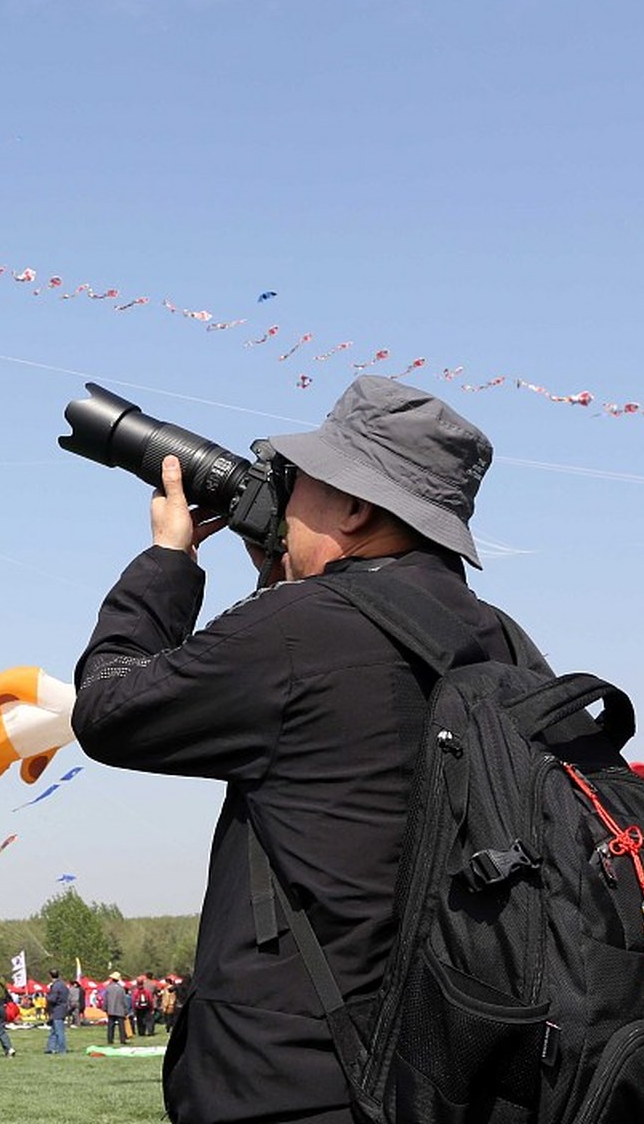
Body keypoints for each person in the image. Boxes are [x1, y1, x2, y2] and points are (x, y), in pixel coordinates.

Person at [73, 376, 524, 1124]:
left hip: (297, 1083)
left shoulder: (298, 631)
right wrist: (282, 582)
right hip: (456, 1074)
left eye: (300, 481)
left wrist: (168, 560)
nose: (284, 502)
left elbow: (108, 709)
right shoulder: (503, 642)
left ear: (353, 507)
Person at [101, 972, 132, 1045]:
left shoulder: (108, 988)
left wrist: (105, 1008)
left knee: (110, 1026)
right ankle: (122, 1039)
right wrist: (126, 1010)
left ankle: (110, 1040)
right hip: (120, 1010)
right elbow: (124, 1000)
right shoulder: (121, 989)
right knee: (121, 1026)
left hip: (111, 1009)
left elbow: (105, 999)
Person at [45, 969, 70, 1054]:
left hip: (57, 1010)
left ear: (50, 976)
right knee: (53, 1030)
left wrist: (47, 997)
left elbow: (53, 999)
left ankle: (62, 1049)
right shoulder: (63, 985)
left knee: (59, 1031)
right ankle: (50, 1048)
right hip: (62, 1009)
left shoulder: (55, 986)